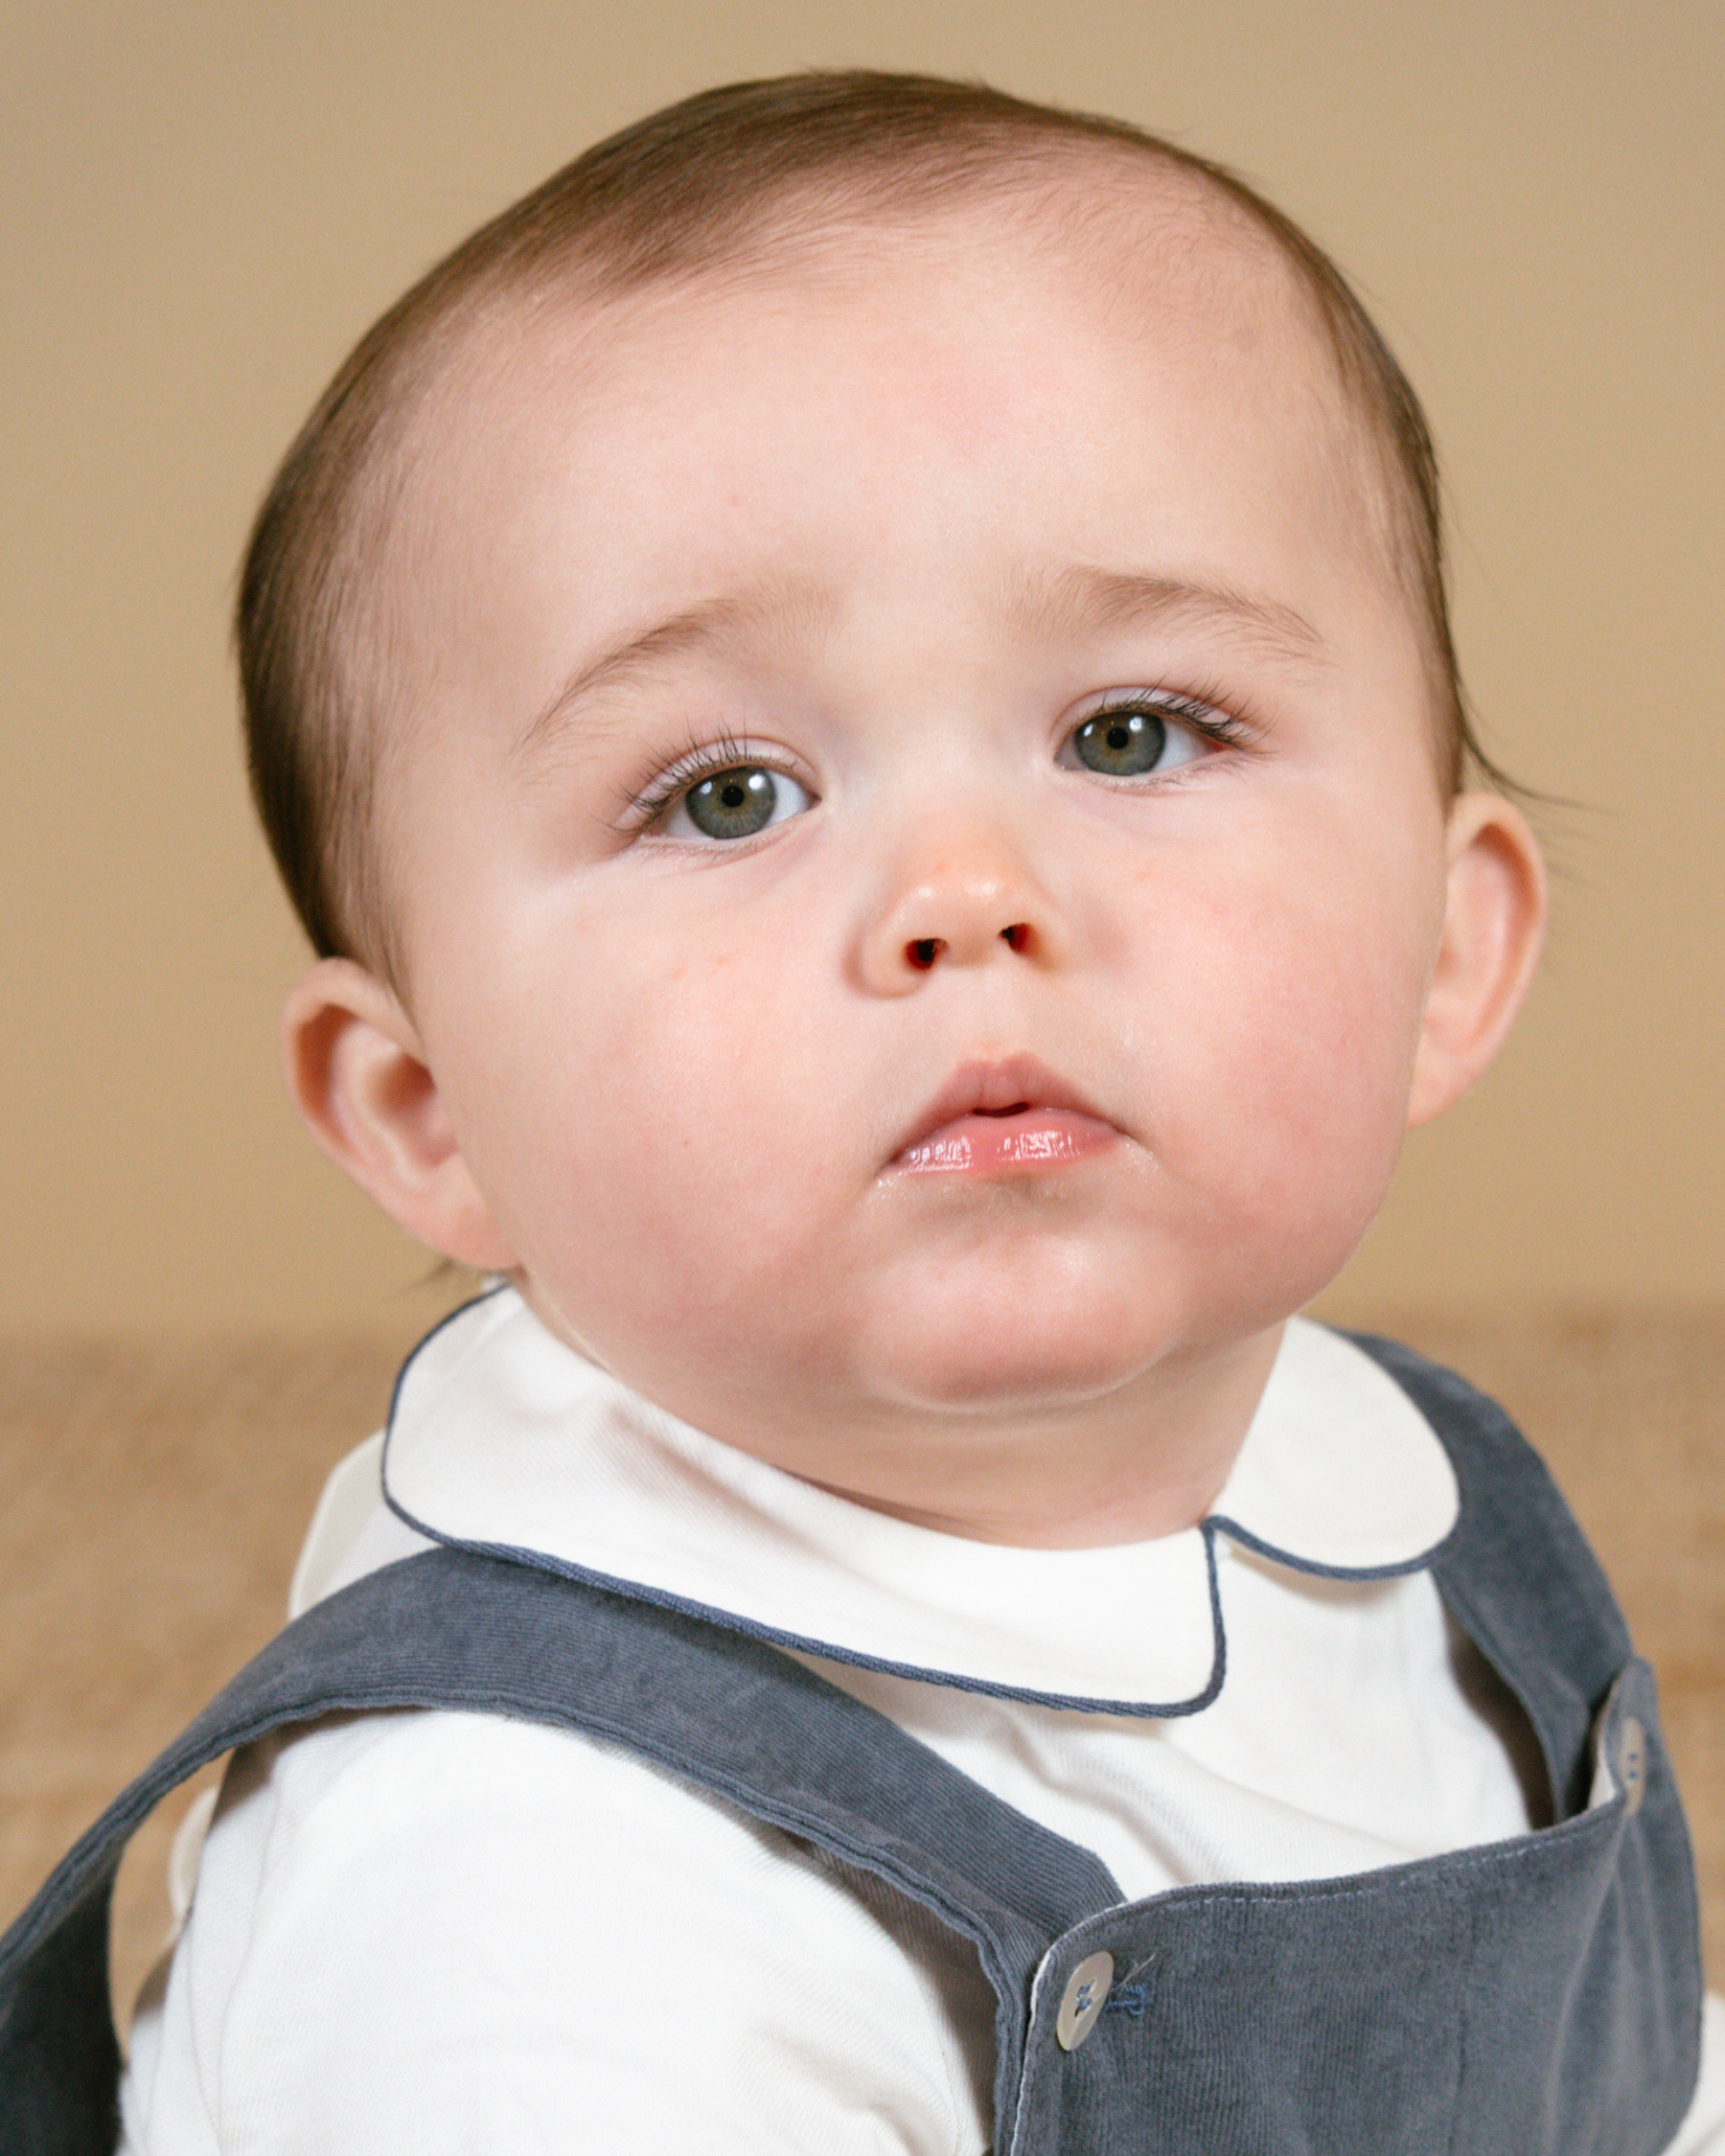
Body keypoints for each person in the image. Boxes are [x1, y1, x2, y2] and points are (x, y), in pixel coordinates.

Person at [97, 68, 1720, 2149]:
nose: (968, 895)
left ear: (1448, 952)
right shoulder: (530, 1902)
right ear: (429, 1111)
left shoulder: (1410, 1512)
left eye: (1132, 733)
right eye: (727, 795)